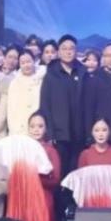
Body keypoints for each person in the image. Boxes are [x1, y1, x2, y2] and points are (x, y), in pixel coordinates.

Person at [39, 35, 84, 178]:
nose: (68, 52)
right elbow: (45, 105)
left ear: (76, 51)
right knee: (60, 172)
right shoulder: (51, 74)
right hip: (59, 134)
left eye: (71, 48)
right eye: (64, 49)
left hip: (79, 133)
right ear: (58, 52)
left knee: (76, 173)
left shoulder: (82, 72)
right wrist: (50, 132)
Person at [81, 42, 111, 147]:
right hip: (100, 134)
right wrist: (89, 136)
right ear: (103, 58)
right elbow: (88, 109)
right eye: (107, 56)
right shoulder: (93, 78)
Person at [7, 50, 44, 136]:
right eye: (23, 63)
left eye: (28, 61)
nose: (26, 65)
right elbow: (11, 109)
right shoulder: (14, 83)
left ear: (34, 61)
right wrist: (14, 130)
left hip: (40, 128)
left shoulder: (43, 79)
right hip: (20, 129)